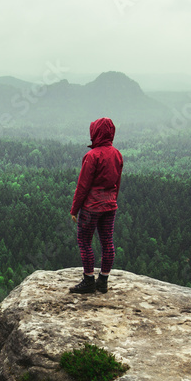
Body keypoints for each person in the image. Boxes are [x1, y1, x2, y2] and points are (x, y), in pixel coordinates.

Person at [69, 117, 123, 294]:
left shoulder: (92, 156)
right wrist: (113, 199)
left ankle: (89, 280)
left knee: (84, 241)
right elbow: (118, 182)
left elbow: (83, 185)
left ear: (96, 132)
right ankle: (103, 281)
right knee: (107, 241)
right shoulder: (117, 154)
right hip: (110, 205)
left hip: (91, 207)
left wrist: (75, 209)